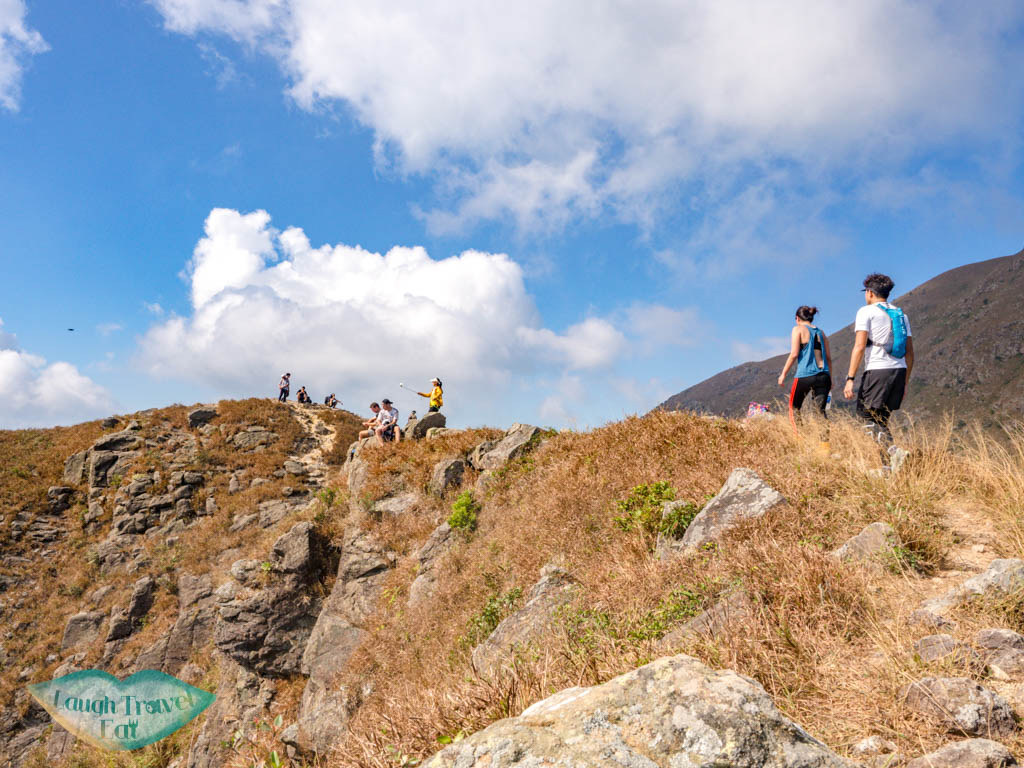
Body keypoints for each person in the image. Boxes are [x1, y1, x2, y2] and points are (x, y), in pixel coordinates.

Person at [843, 273, 914, 445]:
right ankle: (887, 467)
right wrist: (904, 382)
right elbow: (910, 353)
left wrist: (850, 378)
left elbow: (859, 346)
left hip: (877, 371)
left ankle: (893, 452)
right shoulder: (901, 315)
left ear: (869, 292)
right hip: (899, 370)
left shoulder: (866, 312)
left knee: (867, 417)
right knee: (882, 420)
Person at [777, 306, 832, 437]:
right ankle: (824, 447)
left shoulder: (798, 329)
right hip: (824, 376)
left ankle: (800, 440)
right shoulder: (821, 332)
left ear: (797, 318)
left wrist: (783, 374)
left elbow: (794, 353)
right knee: (820, 412)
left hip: (805, 375)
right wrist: (831, 378)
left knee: (794, 408)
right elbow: (828, 358)